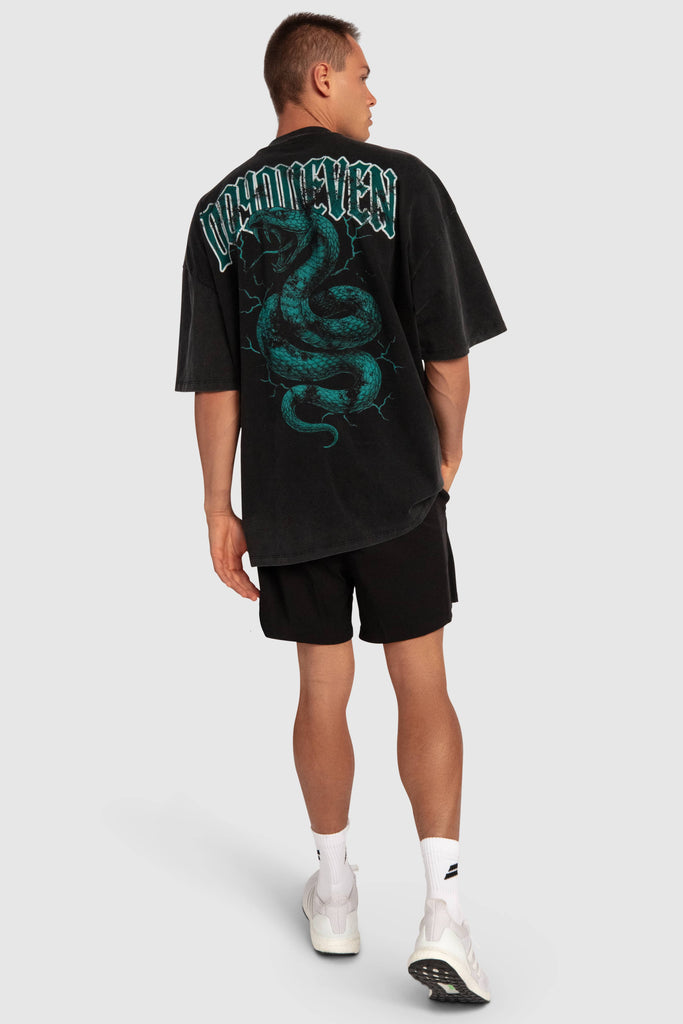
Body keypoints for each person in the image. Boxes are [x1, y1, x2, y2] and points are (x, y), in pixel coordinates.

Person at [175, 11, 506, 1005]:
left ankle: (332, 890)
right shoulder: (406, 183)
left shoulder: (216, 211)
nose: (373, 93)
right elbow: (447, 355)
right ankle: (443, 910)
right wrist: (445, 450)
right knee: (421, 685)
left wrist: (217, 505)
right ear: (317, 77)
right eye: (361, 73)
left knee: (320, 690)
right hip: (395, 484)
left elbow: (217, 381)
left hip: (287, 498)